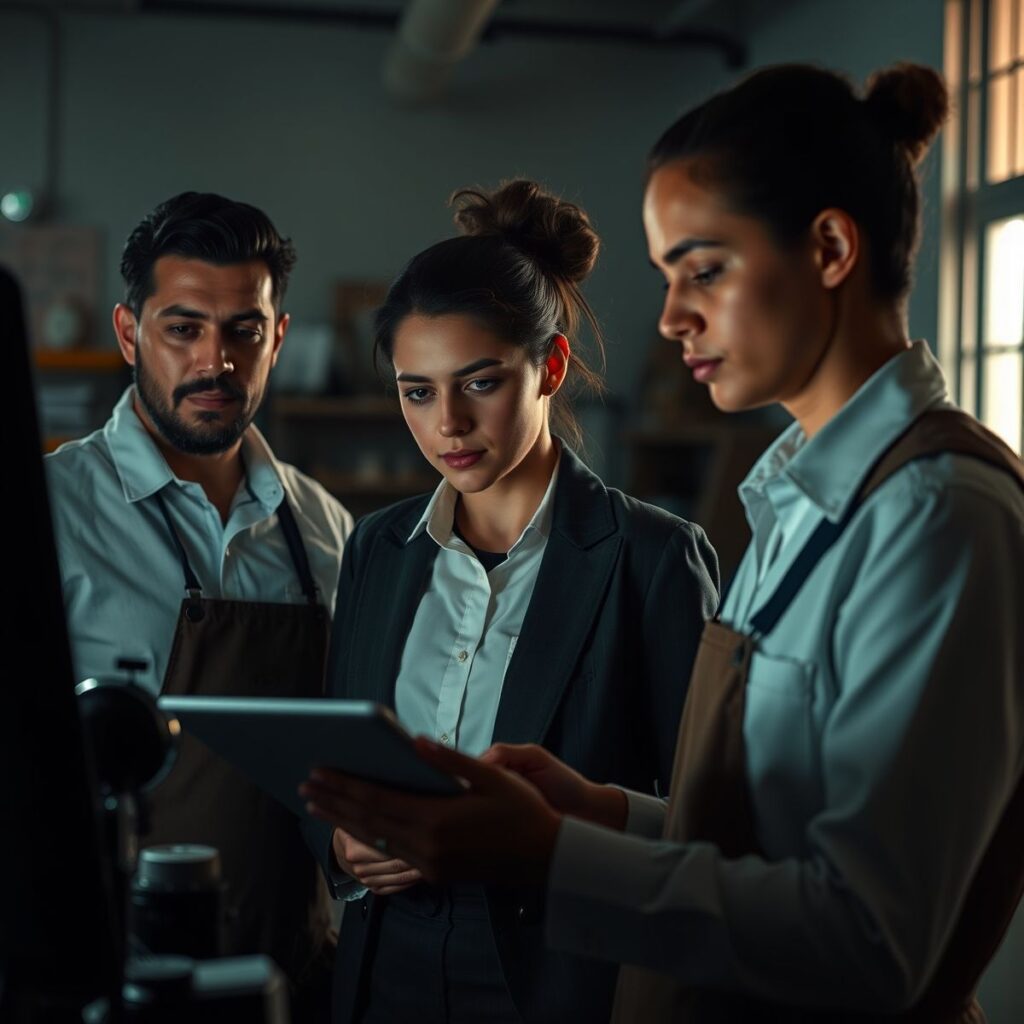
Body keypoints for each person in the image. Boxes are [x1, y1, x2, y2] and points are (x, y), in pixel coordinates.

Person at [301, 64, 1024, 1022]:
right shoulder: (797, 500)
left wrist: (548, 852)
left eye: (705, 269)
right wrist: (590, 809)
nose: (675, 317)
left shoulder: (935, 512)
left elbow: (872, 939)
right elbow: (753, 835)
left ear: (831, 248)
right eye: (669, 277)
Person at [300, 179, 720, 1024]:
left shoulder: (654, 558)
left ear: (550, 368)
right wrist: (343, 849)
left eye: (479, 383)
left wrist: (562, 831)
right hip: (385, 963)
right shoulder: (380, 548)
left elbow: (712, 826)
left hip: (563, 973)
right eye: (417, 391)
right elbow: (341, 758)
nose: (447, 422)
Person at [47, 192, 353, 1013]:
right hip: (102, 980)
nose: (215, 360)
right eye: (182, 328)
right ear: (127, 333)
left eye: (243, 331)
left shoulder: (327, 531)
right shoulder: (44, 513)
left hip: (294, 982)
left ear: (277, 338)